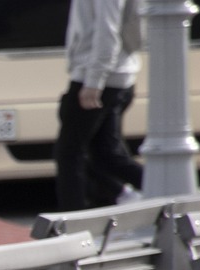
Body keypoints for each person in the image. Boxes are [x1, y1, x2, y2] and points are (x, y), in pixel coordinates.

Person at [53, 0, 146, 211]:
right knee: (106, 154)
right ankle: (168, 193)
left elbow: (107, 31)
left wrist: (94, 81)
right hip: (115, 76)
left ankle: (72, 220)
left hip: (98, 78)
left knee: (69, 153)